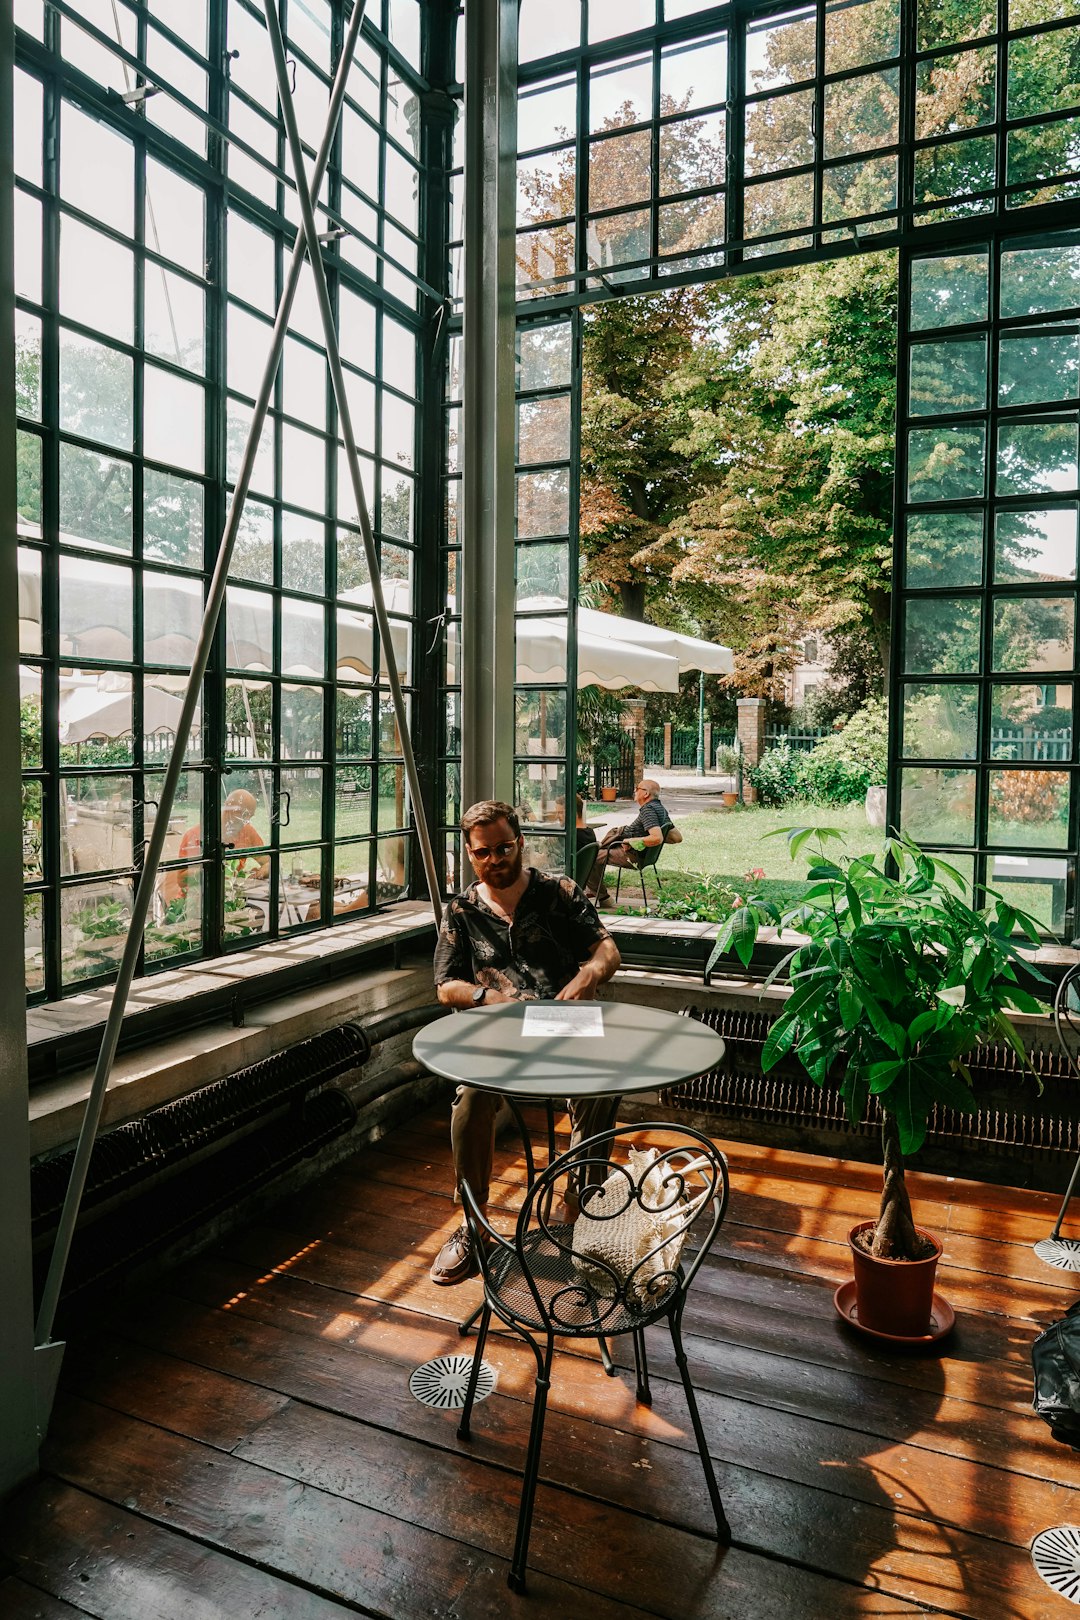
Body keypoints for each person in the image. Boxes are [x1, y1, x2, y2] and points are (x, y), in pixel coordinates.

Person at [430, 798, 622, 1285]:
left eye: (503, 848)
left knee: (601, 1086)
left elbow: (607, 949)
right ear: (470, 854)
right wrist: (486, 997)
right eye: (482, 853)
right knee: (470, 1099)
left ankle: (582, 1213)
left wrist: (589, 975)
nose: (494, 860)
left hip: (566, 1020)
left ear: (520, 842)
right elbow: (444, 986)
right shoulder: (462, 911)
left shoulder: (559, 892)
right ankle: (474, 1225)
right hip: (501, 1029)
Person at [160, 787, 270, 904]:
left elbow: (269, 861)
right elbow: (182, 880)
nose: (247, 821)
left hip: (229, 898)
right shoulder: (197, 835)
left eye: (250, 816)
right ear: (229, 809)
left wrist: (261, 872)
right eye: (244, 815)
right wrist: (214, 867)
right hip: (196, 901)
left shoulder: (247, 831)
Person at [586, 777, 679, 906]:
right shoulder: (659, 809)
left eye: (637, 789)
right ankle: (592, 890)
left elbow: (657, 838)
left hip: (632, 855)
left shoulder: (648, 810)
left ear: (646, 793)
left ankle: (603, 898)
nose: (635, 791)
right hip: (641, 855)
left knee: (588, 858)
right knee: (597, 852)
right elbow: (676, 837)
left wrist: (631, 841)